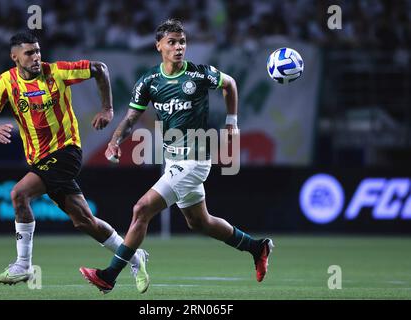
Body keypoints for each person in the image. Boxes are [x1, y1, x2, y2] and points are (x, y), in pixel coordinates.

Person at [79, 19, 273, 294]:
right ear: (159, 45)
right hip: (173, 158)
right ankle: (257, 247)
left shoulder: (198, 74)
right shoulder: (149, 81)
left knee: (141, 209)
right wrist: (114, 141)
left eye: (182, 42)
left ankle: (109, 275)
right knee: (199, 222)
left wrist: (231, 123)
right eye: (172, 42)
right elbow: (132, 117)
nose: (179, 47)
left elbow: (230, 84)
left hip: (196, 159)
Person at [0, 31, 149, 293]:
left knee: (19, 193)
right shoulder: (5, 83)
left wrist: (107, 109)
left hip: (66, 151)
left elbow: (99, 69)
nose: (36, 57)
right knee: (84, 221)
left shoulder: (56, 72)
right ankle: (133, 256)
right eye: (29, 53)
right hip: (38, 159)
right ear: (15, 57)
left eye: (38, 51)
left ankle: (23, 264)